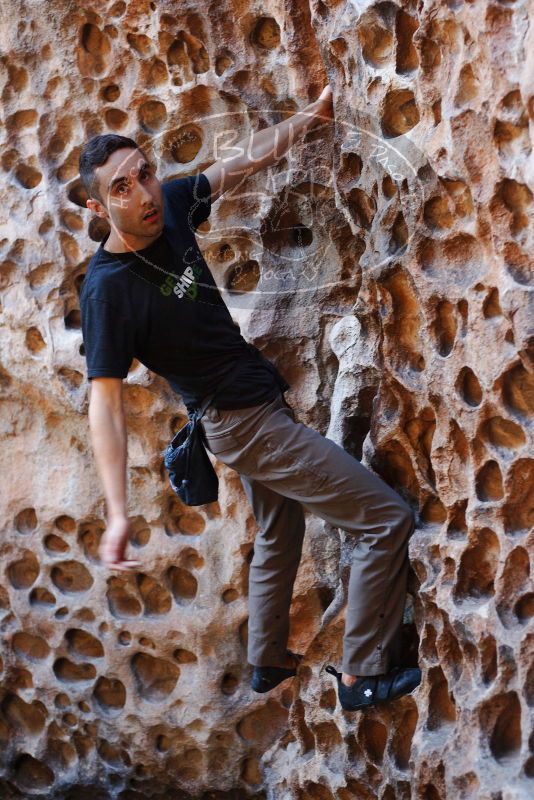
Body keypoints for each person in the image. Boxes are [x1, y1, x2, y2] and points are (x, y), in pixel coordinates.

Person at [78, 85, 421, 711]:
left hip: (246, 406)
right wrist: (118, 511)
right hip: (243, 425)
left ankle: (265, 659)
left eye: (144, 175)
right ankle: (361, 674)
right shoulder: (108, 291)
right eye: (122, 188)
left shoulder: (171, 206)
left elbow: (238, 162)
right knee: (383, 520)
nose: (144, 193)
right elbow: (104, 400)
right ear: (99, 208)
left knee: (278, 526)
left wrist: (307, 118)